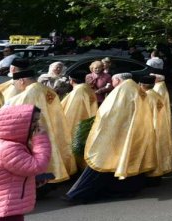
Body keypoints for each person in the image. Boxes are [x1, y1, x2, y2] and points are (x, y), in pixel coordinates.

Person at [64, 73, 157, 204]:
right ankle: (125, 190)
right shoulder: (136, 88)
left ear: (117, 80)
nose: (111, 83)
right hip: (132, 133)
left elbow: (109, 113)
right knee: (124, 161)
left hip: (116, 133)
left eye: (112, 80)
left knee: (100, 163)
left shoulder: (122, 90)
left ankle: (78, 195)